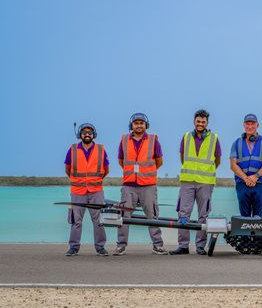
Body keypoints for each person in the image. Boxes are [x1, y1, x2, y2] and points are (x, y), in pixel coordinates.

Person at [114, 113, 168, 256]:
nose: (139, 125)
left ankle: (157, 245)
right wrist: (132, 173)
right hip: (129, 185)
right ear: (131, 125)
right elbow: (121, 160)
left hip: (148, 185)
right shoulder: (124, 140)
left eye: (141, 123)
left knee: (152, 216)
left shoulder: (153, 140)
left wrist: (145, 173)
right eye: (136, 123)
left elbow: (159, 161)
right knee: (124, 216)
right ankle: (121, 246)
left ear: (146, 125)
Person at [169, 109, 221, 255]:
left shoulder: (214, 138)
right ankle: (183, 246)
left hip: (205, 182)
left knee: (203, 215)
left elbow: (217, 160)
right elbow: (182, 157)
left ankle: (200, 246)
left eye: (203, 122)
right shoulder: (186, 137)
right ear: (194, 121)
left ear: (207, 123)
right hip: (187, 181)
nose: (200, 124)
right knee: (183, 214)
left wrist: (205, 171)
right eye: (198, 121)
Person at [64, 123, 109, 257]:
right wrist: (79, 181)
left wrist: (94, 181)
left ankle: (100, 247)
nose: (87, 134)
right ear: (80, 135)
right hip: (78, 191)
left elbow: (106, 170)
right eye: (84, 132)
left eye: (90, 132)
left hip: (96, 190)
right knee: (76, 221)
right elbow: (68, 169)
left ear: (94, 134)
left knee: (99, 220)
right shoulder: (72, 149)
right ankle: (73, 247)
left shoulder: (101, 149)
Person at [230, 114, 262, 217]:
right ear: (243, 125)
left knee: (258, 216)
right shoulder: (236, 143)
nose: (250, 126)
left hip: (260, 184)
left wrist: (255, 177)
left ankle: (258, 234)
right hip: (242, 184)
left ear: (257, 125)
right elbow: (233, 165)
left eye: (252, 124)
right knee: (243, 217)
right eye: (247, 124)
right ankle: (244, 233)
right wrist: (246, 179)